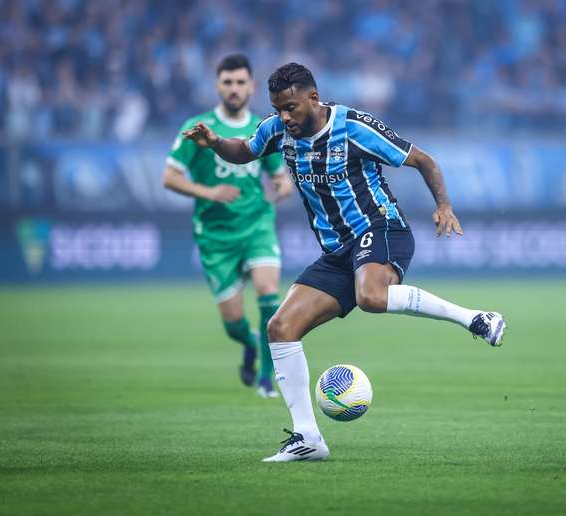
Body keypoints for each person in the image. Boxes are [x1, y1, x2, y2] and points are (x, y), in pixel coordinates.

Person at [183, 62, 506, 462]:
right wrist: (215, 141)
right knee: (280, 328)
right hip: (337, 252)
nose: (285, 117)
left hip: (383, 229)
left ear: (313, 98)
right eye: (278, 108)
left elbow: (423, 160)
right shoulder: (277, 129)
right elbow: (245, 150)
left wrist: (444, 205)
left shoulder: (353, 126)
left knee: (371, 296)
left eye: (291, 107)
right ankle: (308, 439)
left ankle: (475, 318)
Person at [162, 54, 293, 398]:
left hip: (256, 227)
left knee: (268, 294)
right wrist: (210, 192)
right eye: (228, 82)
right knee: (233, 323)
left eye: (240, 83)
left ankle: (268, 379)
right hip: (215, 237)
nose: (234, 89)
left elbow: (281, 180)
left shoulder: (264, 128)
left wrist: (279, 191)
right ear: (218, 85)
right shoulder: (198, 127)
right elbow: (170, 177)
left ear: (251, 87)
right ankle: (249, 343)